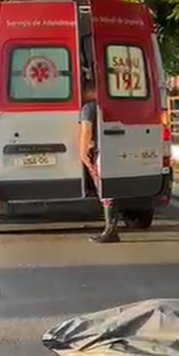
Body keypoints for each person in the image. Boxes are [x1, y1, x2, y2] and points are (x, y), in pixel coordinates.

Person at [79, 80, 121, 243]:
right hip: (115, 150)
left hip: (98, 152)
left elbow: (86, 131)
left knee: (104, 189)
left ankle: (111, 230)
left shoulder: (89, 108)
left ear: (89, 91)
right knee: (110, 189)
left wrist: (83, 153)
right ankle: (111, 228)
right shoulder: (111, 105)